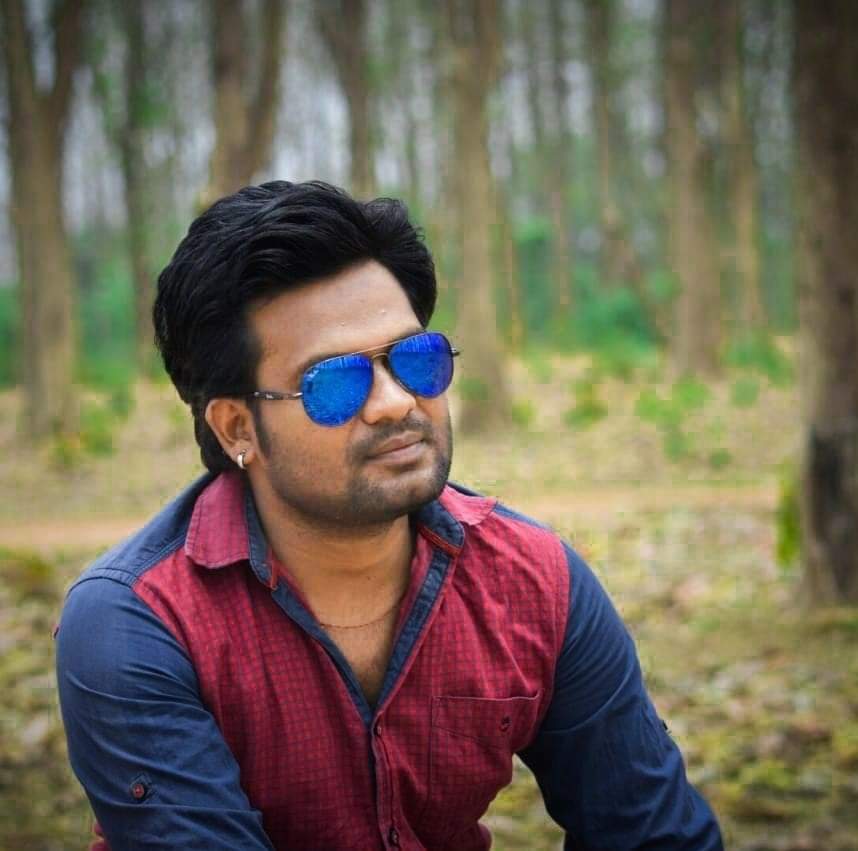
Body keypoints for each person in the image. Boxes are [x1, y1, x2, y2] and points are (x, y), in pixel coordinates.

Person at [56, 180, 723, 851]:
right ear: (238, 427)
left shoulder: (534, 581)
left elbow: (654, 833)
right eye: (333, 381)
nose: (396, 401)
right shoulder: (137, 624)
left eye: (415, 359)